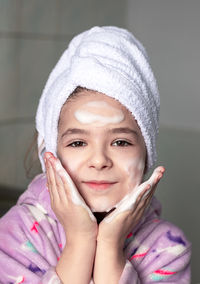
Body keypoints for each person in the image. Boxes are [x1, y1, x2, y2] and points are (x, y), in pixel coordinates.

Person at [0, 26, 191, 283]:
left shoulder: (168, 250)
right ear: (50, 154)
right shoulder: (15, 236)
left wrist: (110, 247)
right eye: (78, 143)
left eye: (121, 142)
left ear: (147, 154)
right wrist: (80, 240)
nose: (100, 160)